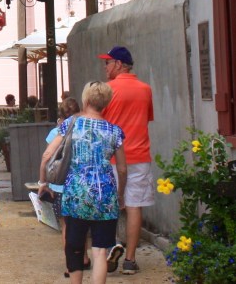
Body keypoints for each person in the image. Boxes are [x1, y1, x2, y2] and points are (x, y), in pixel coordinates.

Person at [38, 81, 126, 284]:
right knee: (100, 251)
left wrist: (43, 181)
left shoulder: (71, 124)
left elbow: (47, 155)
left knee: (75, 247)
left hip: (76, 194)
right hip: (105, 195)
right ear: (107, 103)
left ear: (86, 100)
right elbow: (122, 169)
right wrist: (120, 194)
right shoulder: (115, 131)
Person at [98, 45, 154, 276]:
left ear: (119, 64)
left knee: (108, 205)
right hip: (139, 154)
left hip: (111, 156)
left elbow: (100, 121)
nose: (105, 67)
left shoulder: (107, 90)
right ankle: (130, 260)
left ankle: (109, 248)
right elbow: (146, 119)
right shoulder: (145, 89)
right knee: (134, 206)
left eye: (108, 63)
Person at [40, 97, 89, 276]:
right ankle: (84, 257)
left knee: (66, 227)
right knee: (82, 223)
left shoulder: (57, 131)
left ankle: (70, 264)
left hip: (58, 186)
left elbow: (48, 157)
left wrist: (43, 182)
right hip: (79, 183)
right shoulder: (85, 127)